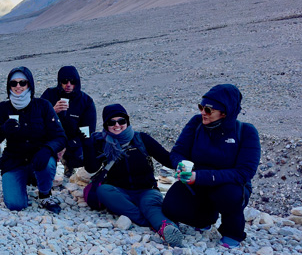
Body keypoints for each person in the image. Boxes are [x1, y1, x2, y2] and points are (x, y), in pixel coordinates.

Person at [162, 84, 260, 249]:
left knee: (229, 195)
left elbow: (245, 172)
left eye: (208, 110)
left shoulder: (246, 132)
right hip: (195, 181)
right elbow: (178, 152)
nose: (202, 113)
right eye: (201, 107)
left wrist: (200, 177)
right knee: (170, 207)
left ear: (225, 112)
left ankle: (232, 232)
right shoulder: (196, 123)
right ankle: (204, 219)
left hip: (226, 185)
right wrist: (180, 165)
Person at [83, 104, 183, 247]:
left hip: (146, 190)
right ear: (106, 125)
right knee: (103, 191)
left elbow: (167, 159)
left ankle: (166, 228)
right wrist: (87, 145)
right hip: (120, 192)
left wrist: (183, 159)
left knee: (150, 204)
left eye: (121, 121)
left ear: (127, 122)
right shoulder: (101, 142)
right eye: (112, 122)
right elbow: (91, 168)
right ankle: (149, 220)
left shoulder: (141, 139)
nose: (117, 125)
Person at [0, 67, 67, 213]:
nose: (18, 87)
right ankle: (26, 178)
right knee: (15, 205)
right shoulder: (3, 108)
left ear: (30, 84)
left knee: (47, 163)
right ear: (8, 86)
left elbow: (60, 136)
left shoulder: (43, 106)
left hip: (39, 158)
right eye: (13, 83)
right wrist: (2, 129)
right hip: (14, 160)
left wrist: (48, 149)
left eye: (22, 82)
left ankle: (45, 194)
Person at [40, 66, 96, 177]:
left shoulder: (86, 102)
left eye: (72, 81)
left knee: (84, 156)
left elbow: (87, 132)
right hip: (52, 138)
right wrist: (52, 111)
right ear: (59, 82)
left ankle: (70, 166)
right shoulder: (49, 95)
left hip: (73, 141)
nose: (68, 85)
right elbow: (36, 120)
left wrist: (66, 146)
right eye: (65, 81)